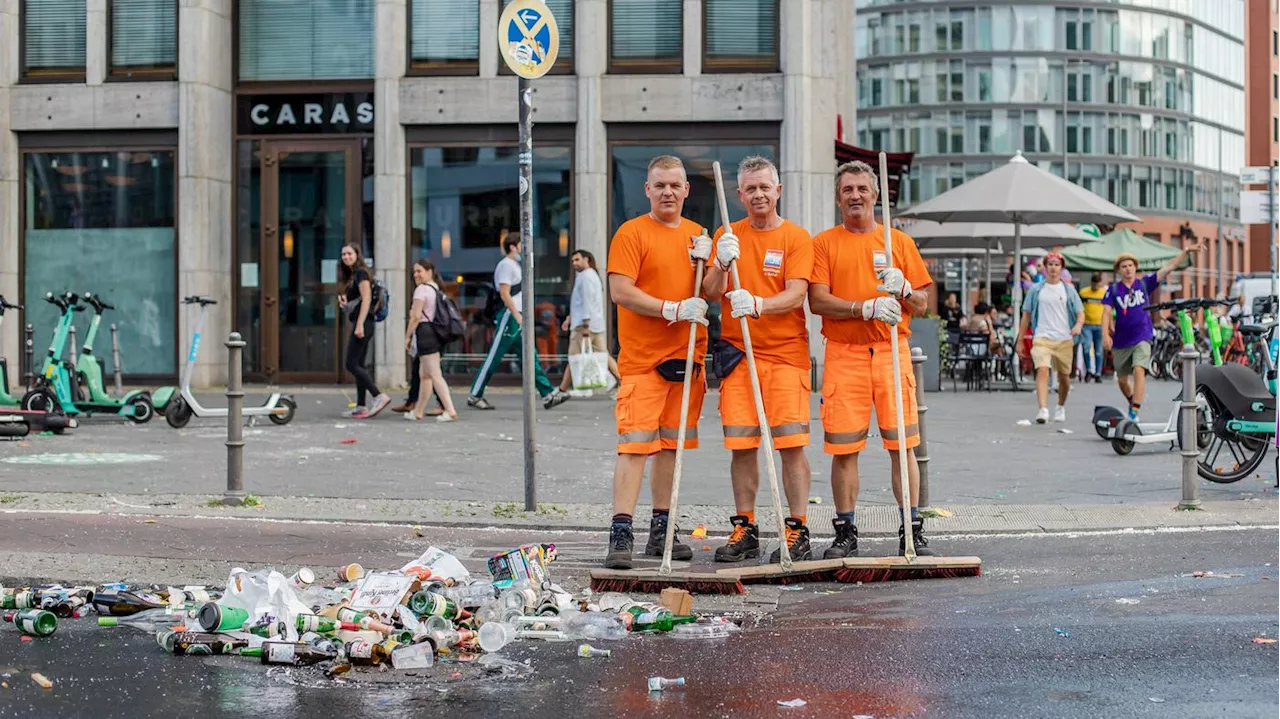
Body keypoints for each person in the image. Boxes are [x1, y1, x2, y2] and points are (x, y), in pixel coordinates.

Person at [809, 160, 935, 559]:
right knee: (844, 448)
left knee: (903, 445)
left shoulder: (898, 242)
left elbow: (923, 302)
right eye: (848, 190)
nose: (856, 196)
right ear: (838, 197)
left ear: (876, 195)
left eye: (862, 189)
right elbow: (817, 299)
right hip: (844, 354)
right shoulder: (825, 243)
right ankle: (846, 530)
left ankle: (911, 530)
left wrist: (902, 287)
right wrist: (863, 308)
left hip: (890, 351)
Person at [701, 156, 815, 563]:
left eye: (765, 187)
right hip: (739, 357)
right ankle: (745, 527)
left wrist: (759, 303)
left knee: (791, 444)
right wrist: (719, 263)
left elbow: (797, 293)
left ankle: (796, 529)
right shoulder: (727, 234)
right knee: (742, 445)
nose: (758, 194)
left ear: (778, 190)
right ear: (740, 194)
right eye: (750, 188)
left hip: (786, 357)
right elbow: (711, 292)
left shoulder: (797, 238)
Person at [602, 155, 710, 570]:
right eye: (659, 185)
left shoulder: (698, 236)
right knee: (634, 447)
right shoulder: (631, 233)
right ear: (647, 189)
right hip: (644, 362)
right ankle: (621, 530)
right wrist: (671, 308)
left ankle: (662, 528)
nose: (667, 192)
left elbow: (712, 291)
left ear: (686, 190)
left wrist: (718, 261)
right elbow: (621, 291)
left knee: (670, 449)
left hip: (687, 360)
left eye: (674, 185)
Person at [465, 236, 569, 411]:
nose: (524, 249)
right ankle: (475, 394)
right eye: (522, 245)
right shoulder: (506, 265)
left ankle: (548, 394)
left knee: (529, 356)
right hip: (510, 316)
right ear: (513, 247)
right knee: (495, 356)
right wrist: (516, 315)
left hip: (516, 315)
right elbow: (505, 293)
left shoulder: (514, 266)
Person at [1103, 242, 1204, 421]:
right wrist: (1105, 334)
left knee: (1139, 368)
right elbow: (1106, 312)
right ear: (1119, 270)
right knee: (1122, 380)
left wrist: (1185, 251)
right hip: (1121, 339)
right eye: (1124, 266)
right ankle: (1132, 399)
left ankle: (1135, 410)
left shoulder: (1144, 284)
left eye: (1130, 265)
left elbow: (1169, 267)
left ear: (1135, 268)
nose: (1128, 269)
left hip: (1143, 335)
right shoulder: (1113, 290)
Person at [1016, 252, 1083, 424]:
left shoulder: (1069, 290)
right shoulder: (1036, 290)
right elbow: (1026, 315)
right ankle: (1043, 409)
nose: (1053, 268)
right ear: (1045, 267)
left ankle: (1060, 406)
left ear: (1061, 268)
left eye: (1056, 264)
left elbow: (1080, 313)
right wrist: (1020, 340)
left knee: (1064, 378)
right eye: (1050, 264)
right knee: (1043, 369)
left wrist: (1077, 326)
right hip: (1042, 336)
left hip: (1064, 338)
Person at [338, 243, 390, 419]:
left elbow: (367, 299)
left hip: (364, 323)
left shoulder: (361, 273)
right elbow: (359, 300)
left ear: (357, 254)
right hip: (363, 322)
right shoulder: (354, 274)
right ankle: (361, 406)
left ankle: (379, 395)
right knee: (359, 364)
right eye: (343, 254)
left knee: (351, 364)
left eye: (349, 253)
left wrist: (359, 324)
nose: (346, 257)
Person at [403, 259, 458, 423]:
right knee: (425, 375)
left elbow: (415, 316)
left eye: (419, 271)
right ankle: (418, 411)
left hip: (425, 333)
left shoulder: (421, 290)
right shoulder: (435, 288)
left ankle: (450, 410)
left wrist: (407, 336)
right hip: (435, 333)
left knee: (434, 374)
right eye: (414, 271)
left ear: (429, 272)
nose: (416, 275)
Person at [558, 250, 620, 394]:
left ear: (587, 259)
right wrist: (569, 318)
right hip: (595, 324)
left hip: (583, 325)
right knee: (603, 355)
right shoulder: (592, 276)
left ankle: (563, 389)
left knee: (574, 357)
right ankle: (622, 380)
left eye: (577, 260)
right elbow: (581, 303)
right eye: (573, 260)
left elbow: (587, 303)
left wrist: (585, 325)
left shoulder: (585, 277)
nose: (574, 263)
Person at [1078, 272, 1107, 383]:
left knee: (1098, 350)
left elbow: (1108, 309)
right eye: (1094, 283)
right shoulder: (1084, 292)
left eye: (1097, 283)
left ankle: (1098, 372)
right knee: (1086, 347)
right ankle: (1089, 369)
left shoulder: (1104, 293)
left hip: (1100, 324)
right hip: (1087, 324)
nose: (1095, 286)